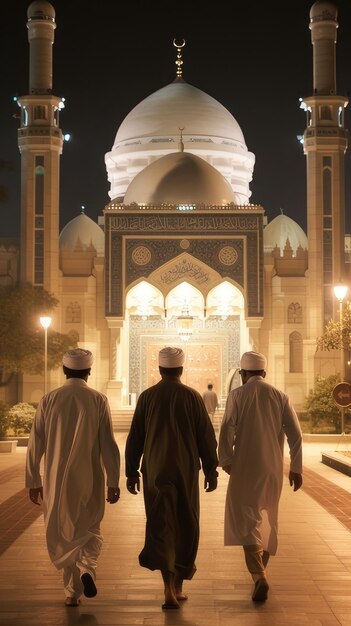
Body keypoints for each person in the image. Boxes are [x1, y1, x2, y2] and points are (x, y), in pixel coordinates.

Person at [125, 346, 218, 610]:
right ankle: (178, 586)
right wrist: (211, 469)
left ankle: (168, 587)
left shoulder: (147, 397)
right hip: (185, 470)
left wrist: (131, 470)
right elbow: (206, 437)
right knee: (186, 523)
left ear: (160, 369)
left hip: (155, 469)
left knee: (160, 523)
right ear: (181, 369)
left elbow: (135, 438)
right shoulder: (192, 397)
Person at [26, 348, 121, 607]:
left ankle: (71, 593)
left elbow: (36, 442)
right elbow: (108, 445)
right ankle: (88, 568)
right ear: (89, 372)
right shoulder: (98, 399)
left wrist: (34, 480)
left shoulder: (49, 399)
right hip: (89, 477)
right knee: (90, 528)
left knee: (64, 533)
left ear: (65, 370)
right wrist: (113, 480)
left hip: (56, 480)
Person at [218, 351, 303, 603]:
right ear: (265, 373)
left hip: (245, 468)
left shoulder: (238, 394)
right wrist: (296, 468)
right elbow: (296, 435)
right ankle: (262, 572)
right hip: (272, 469)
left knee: (246, 521)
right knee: (267, 519)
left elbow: (226, 429)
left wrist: (226, 460)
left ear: (243, 375)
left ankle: (259, 576)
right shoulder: (279, 395)